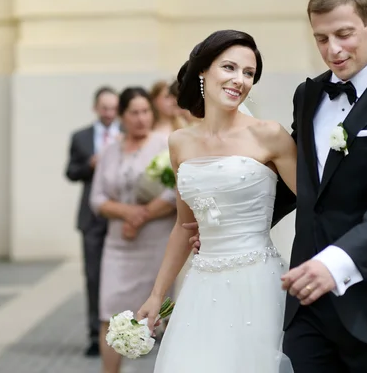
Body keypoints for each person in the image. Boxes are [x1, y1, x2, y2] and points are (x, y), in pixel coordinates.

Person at [189, 0, 367, 371]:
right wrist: (231, 224)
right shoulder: (309, 94)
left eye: (344, 34)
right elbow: (305, 181)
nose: (333, 50)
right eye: (321, 38)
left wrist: (335, 262)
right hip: (306, 305)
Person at [136, 29, 297, 372]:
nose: (240, 80)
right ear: (202, 71)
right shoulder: (180, 142)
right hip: (201, 285)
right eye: (229, 68)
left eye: (249, 73)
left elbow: (318, 203)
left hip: (257, 283)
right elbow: (183, 226)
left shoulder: (269, 134)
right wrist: (157, 294)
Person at [89, 87, 177, 373]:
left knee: (159, 317)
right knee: (109, 312)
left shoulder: (166, 144)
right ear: (122, 116)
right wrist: (127, 213)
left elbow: (177, 192)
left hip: (156, 244)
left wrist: (141, 217)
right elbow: (97, 198)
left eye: (145, 112)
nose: (141, 118)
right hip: (118, 246)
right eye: (134, 113)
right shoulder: (110, 149)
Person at [65, 86, 119, 357]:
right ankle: (93, 335)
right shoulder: (81, 137)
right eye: (104, 108)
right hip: (91, 217)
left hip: (122, 215)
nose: (109, 113)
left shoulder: (128, 134)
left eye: (113, 108)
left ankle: (124, 333)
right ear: (96, 108)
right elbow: (71, 172)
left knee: (122, 277)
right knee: (93, 277)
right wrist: (90, 164)